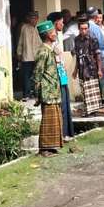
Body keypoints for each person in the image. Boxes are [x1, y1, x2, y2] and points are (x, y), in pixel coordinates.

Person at [33, 20, 63, 156]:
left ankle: (52, 146)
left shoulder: (51, 50)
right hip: (47, 91)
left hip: (54, 90)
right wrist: (37, 93)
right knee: (47, 121)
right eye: (52, 32)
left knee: (55, 120)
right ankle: (44, 148)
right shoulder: (43, 52)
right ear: (46, 35)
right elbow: (37, 74)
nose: (54, 34)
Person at [47, 11, 74, 140]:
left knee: (65, 102)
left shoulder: (57, 38)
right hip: (56, 74)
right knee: (61, 104)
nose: (63, 24)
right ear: (55, 23)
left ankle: (67, 132)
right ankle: (62, 134)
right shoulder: (49, 41)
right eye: (61, 22)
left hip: (62, 73)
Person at [73, 18, 104, 116]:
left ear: (88, 29)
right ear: (79, 29)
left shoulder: (93, 39)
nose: (84, 31)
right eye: (82, 29)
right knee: (84, 90)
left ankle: (93, 111)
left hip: (91, 68)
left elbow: (98, 55)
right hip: (82, 68)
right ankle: (87, 110)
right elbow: (78, 56)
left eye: (85, 28)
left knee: (93, 90)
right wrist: (75, 70)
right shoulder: (76, 39)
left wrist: (99, 69)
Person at [16, 11, 40, 99]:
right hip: (27, 57)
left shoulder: (39, 28)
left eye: (35, 18)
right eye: (31, 18)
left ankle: (36, 93)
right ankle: (26, 94)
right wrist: (19, 53)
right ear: (29, 19)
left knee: (37, 76)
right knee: (26, 76)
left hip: (37, 57)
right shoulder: (24, 28)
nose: (33, 20)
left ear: (37, 19)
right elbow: (21, 41)